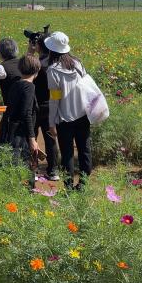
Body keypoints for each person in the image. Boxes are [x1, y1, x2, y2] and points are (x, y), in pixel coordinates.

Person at [45, 31, 92, 190]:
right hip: (83, 115)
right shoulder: (78, 64)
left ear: (52, 50)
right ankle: (84, 184)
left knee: (67, 154)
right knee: (84, 150)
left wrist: (51, 122)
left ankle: (68, 187)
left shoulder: (53, 71)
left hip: (65, 119)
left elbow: (55, 99)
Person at [25, 27, 60, 181]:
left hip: (34, 106)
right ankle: (53, 171)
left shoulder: (36, 65)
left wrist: (30, 52)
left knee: (31, 138)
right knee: (50, 139)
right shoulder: (55, 64)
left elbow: (24, 71)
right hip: (50, 106)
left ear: (39, 46)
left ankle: (33, 170)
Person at [2, 55, 42, 181]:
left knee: (12, 164)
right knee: (24, 165)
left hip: (11, 130)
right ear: (37, 70)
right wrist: (32, 139)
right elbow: (27, 114)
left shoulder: (16, 84)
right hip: (21, 133)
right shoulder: (29, 87)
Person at [0, 37, 21, 144]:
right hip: (28, 107)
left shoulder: (1, 67)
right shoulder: (23, 63)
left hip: (10, 109)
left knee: (5, 138)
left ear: (1, 53)